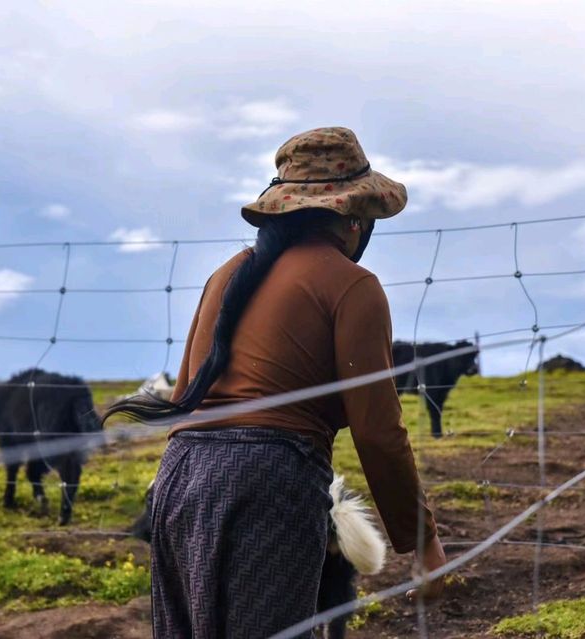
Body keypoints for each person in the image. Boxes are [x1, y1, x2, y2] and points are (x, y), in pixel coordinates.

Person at [105, 126, 446, 638]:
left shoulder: (226, 274)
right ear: (355, 219)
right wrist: (421, 540)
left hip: (181, 475)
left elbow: (184, 398)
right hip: (271, 482)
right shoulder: (354, 285)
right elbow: (378, 432)